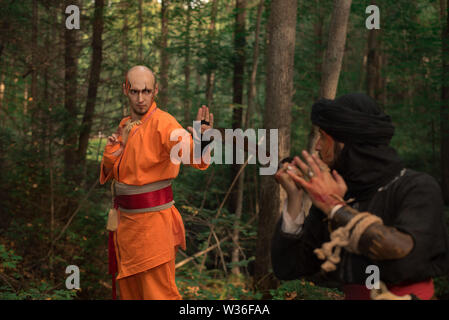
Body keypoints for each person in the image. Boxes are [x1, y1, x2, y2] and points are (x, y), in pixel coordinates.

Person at [272, 93, 449, 300]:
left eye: (323, 136)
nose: (318, 146)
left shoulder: (416, 187)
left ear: (347, 142)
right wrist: (295, 198)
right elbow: (288, 267)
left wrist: (334, 207)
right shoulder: (337, 193)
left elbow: (404, 256)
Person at [100, 65, 212, 300]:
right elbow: (112, 171)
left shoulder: (165, 123)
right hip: (125, 225)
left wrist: (201, 140)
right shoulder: (124, 125)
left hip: (153, 227)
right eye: (135, 91)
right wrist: (115, 148)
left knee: (158, 295)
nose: (141, 98)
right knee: (130, 294)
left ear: (156, 91)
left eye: (147, 91)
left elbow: (193, 155)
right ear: (125, 90)